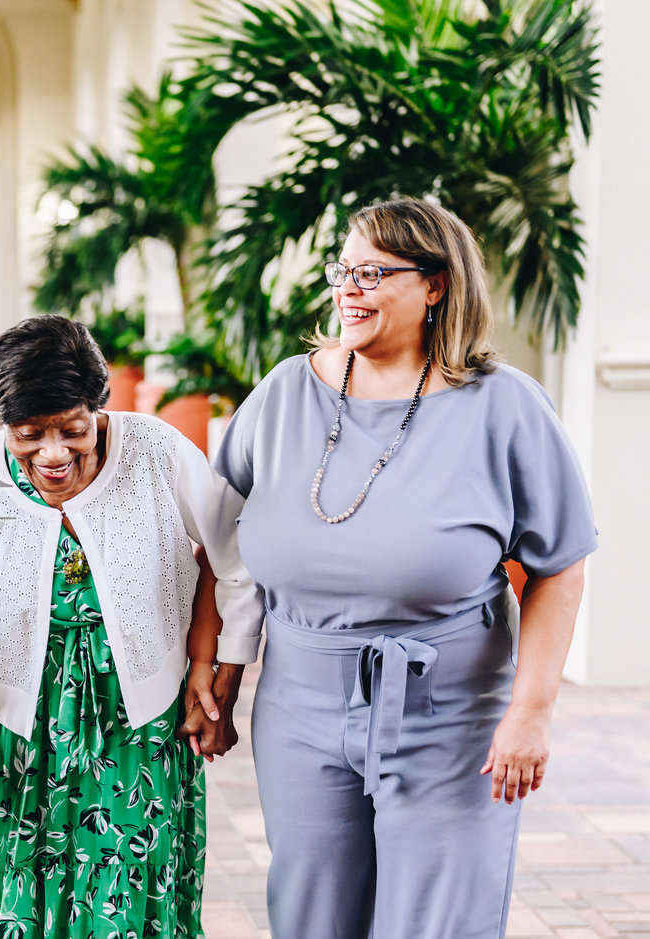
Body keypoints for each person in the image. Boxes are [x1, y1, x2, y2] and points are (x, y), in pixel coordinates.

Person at [210, 197, 596, 938]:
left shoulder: (506, 406)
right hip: (299, 707)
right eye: (343, 270)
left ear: (436, 285)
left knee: (434, 922)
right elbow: (216, 545)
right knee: (310, 918)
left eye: (373, 273)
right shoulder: (285, 393)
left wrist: (531, 712)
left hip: (450, 713)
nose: (349, 288)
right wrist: (216, 671)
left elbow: (561, 568)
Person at [0, 314, 263, 939]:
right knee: (18, 906)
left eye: (72, 431)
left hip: (140, 729)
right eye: (28, 435)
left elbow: (236, 558)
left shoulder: (154, 451)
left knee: (126, 907)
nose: (52, 454)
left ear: (97, 406)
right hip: (21, 734)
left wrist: (218, 673)